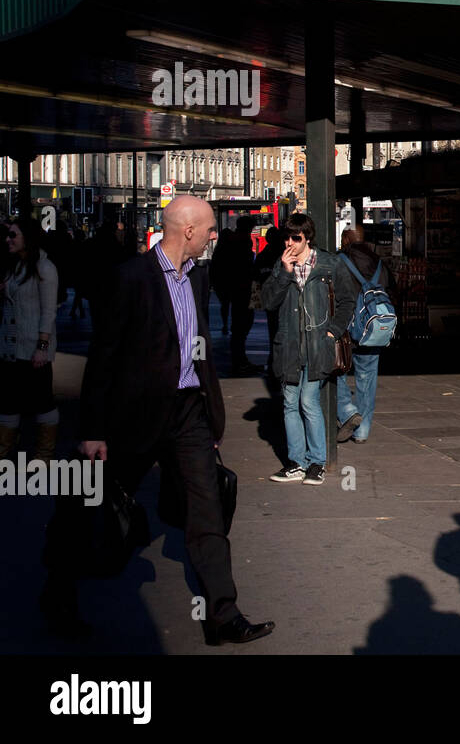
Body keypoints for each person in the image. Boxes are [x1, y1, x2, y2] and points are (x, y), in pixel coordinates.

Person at [43, 196, 274, 645]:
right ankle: (58, 596)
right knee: (90, 508)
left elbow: (199, 343)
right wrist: (92, 431)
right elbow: (103, 358)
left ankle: (223, 615)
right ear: (187, 231)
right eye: (208, 228)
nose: (214, 235)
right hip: (133, 416)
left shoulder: (199, 276)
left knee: (207, 512)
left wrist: (210, 416)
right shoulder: (130, 278)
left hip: (189, 414)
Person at [262, 213, 356, 485]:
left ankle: (317, 463)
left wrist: (332, 332)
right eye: (287, 237)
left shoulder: (329, 264)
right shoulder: (282, 265)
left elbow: (348, 301)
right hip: (289, 345)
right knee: (290, 403)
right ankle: (296, 463)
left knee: (308, 402)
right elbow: (268, 301)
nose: (290, 242)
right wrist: (283, 272)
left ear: (308, 238)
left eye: (296, 238)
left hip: (317, 345)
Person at [0, 218, 60, 463]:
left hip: (32, 349)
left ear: (28, 238)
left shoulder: (45, 268)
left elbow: (48, 311)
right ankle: (4, 451)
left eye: (13, 235)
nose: (8, 239)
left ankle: (44, 454)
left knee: (42, 400)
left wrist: (42, 348)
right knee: (8, 401)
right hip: (10, 348)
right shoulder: (16, 266)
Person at [336, 226, 390, 444]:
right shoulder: (378, 261)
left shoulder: (340, 260)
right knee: (367, 378)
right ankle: (363, 431)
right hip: (373, 326)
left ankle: (348, 410)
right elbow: (389, 287)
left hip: (347, 326)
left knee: (336, 369)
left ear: (347, 239)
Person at [227, 217, 260, 375]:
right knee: (242, 326)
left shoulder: (236, 240)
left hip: (240, 289)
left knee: (240, 327)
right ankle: (239, 361)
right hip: (243, 289)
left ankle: (240, 360)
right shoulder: (242, 241)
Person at [253, 226, 287, 348]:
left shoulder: (262, 256)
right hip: (283, 297)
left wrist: (257, 301)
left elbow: (256, 278)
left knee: (272, 328)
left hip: (269, 296)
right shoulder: (283, 255)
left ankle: (274, 353)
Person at [209, 227, 237, 334]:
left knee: (224, 304)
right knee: (233, 304)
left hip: (220, 282)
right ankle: (231, 324)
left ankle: (225, 324)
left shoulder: (218, 251)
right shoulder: (234, 250)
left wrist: (212, 282)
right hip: (232, 281)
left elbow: (213, 268)